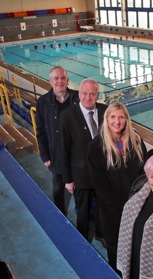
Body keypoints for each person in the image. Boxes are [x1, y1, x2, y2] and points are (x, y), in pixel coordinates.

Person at [87, 102, 147, 272]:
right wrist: (125, 204)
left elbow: (144, 175)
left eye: (121, 117)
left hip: (136, 208)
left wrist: (138, 201)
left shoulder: (135, 141)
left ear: (127, 119)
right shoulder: (96, 147)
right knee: (116, 252)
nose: (117, 121)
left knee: (136, 249)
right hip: (113, 212)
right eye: (113, 117)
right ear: (106, 119)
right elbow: (100, 185)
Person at [58, 78, 107, 240]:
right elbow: (63, 150)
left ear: (97, 95)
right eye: (85, 93)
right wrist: (68, 179)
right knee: (83, 212)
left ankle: (102, 235)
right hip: (81, 176)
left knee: (103, 209)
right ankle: (84, 239)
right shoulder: (67, 116)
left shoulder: (106, 112)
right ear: (79, 94)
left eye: (92, 94)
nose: (88, 97)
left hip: (102, 175)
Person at [35, 66, 78, 215]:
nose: (60, 81)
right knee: (58, 187)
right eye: (56, 78)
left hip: (76, 153)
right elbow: (40, 130)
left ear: (67, 80)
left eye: (63, 78)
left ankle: (82, 211)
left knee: (80, 186)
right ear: (50, 81)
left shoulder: (77, 98)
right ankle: (61, 213)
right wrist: (44, 154)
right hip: (56, 154)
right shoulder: (42, 102)